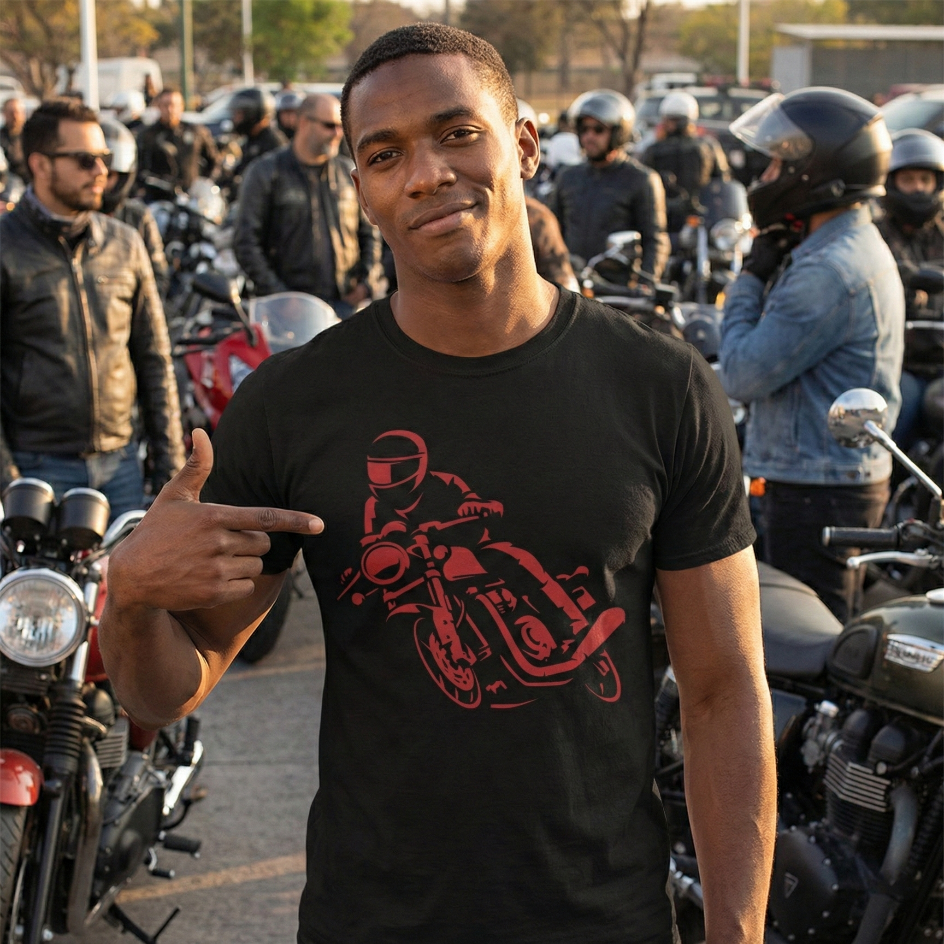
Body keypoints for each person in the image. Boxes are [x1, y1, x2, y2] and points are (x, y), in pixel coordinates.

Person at [99, 24, 775, 944]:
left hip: (603, 918)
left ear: (525, 146)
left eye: (457, 133)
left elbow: (724, 690)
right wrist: (130, 597)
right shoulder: (295, 404)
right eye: (385, 154)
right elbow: (167, 690)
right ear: (363, 191)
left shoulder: (658, 384)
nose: (425, 174)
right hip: (373, 919)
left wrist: (737, 931)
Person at [718, 87, 904, 623]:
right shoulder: (836, 246)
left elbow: (742, 372)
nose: (768, 174)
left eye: (780, 161)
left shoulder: (828, 269)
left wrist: (750, 278)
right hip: (824, 477)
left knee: (806, 652)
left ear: (816, 171)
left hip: (816, 490)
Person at [0, 98, 185, 518]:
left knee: (128, 587)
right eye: (85, 160)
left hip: (121, 465)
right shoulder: (6, 245)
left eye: (103, 158)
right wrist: (8, 479)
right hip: (36, 468)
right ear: (41, 165)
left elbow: (154, 358)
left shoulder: (124, 243)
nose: (102, 171)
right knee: (39, 587)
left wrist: (172, 471)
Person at [234, 93, 381, 317]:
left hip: (344, 306)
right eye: (329, 126)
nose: (337, 134)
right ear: (304, 123)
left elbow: (370, 231)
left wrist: (366, 283)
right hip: (289, 314)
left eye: (341, 127)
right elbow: (246, 243)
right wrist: (281, 297)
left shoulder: (347, 173)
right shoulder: (266, 172)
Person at [549, 90, 669, 279]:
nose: (589, 136)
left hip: (617, 288)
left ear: (617, 133)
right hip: (572, 283)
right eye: (584, 129)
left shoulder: (641, 179)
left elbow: (655, 239)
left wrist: (646, 285)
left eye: (598, 130)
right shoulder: (568, 177)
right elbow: (552, 231)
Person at [874, 128, 944, 449]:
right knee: (899, 411)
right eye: (909, 180)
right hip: (901, 362)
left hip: (941, 360)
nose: (918, 189)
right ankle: (886, 489)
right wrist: (914, 279)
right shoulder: (876, 234)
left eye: (924, 181)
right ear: (892, 183)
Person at [638, 90, 729, 233]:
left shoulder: (707, 146)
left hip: (698, 215)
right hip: (665, 215)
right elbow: (642, 184)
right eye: (670, 119)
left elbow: (723, 182)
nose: (671, 124)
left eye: (675, 120)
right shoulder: (654, 149)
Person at [99, 114, 170, 298]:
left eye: (109, 175)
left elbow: (158, 277)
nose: (98, 181)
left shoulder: (137, 216)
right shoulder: (72, 218)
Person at [136, 87, 220, 194]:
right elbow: (139, 168)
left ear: (181, 107)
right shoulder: (147, 135)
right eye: (166, 105)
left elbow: (214, 161)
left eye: (174, 105)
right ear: (159, 107)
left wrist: (205, 184)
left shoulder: (196, 132)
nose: (170, 110)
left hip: (190, 196)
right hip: (159, 197)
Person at [227, 87, 286, 192]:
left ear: (253, 114)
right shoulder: (251, 140)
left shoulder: (273, 143)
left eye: (239, 114)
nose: (235, 119)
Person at [1, 96, 28, 181]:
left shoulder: (31, 135)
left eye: (17, 112)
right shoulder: (1, 136)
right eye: (11, 113)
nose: (15, 116)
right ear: (4, 113)